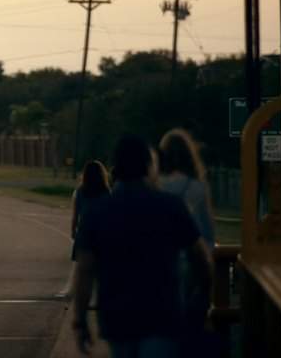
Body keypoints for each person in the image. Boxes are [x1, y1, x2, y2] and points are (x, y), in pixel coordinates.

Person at [72, 135, 213, 358]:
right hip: (162, 314)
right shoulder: (170, 205)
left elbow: (85, 271)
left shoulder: (96, 212)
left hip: (117, 316)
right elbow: (201, 259)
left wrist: (80, 321)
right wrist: (201, 301)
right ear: (150, 165)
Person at [159, 129, 217, 353]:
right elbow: (207, 234)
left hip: (161, 263)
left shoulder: (155, 186)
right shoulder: (197, 188)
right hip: (192, 262)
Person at [58, 160, 111, 297]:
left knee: (81, 266)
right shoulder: (106, 192)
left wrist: (73, 230)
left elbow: (75, 215)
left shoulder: (80, 191)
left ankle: (75, 291)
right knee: (101, 267)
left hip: (85, 231)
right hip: (102, 232)